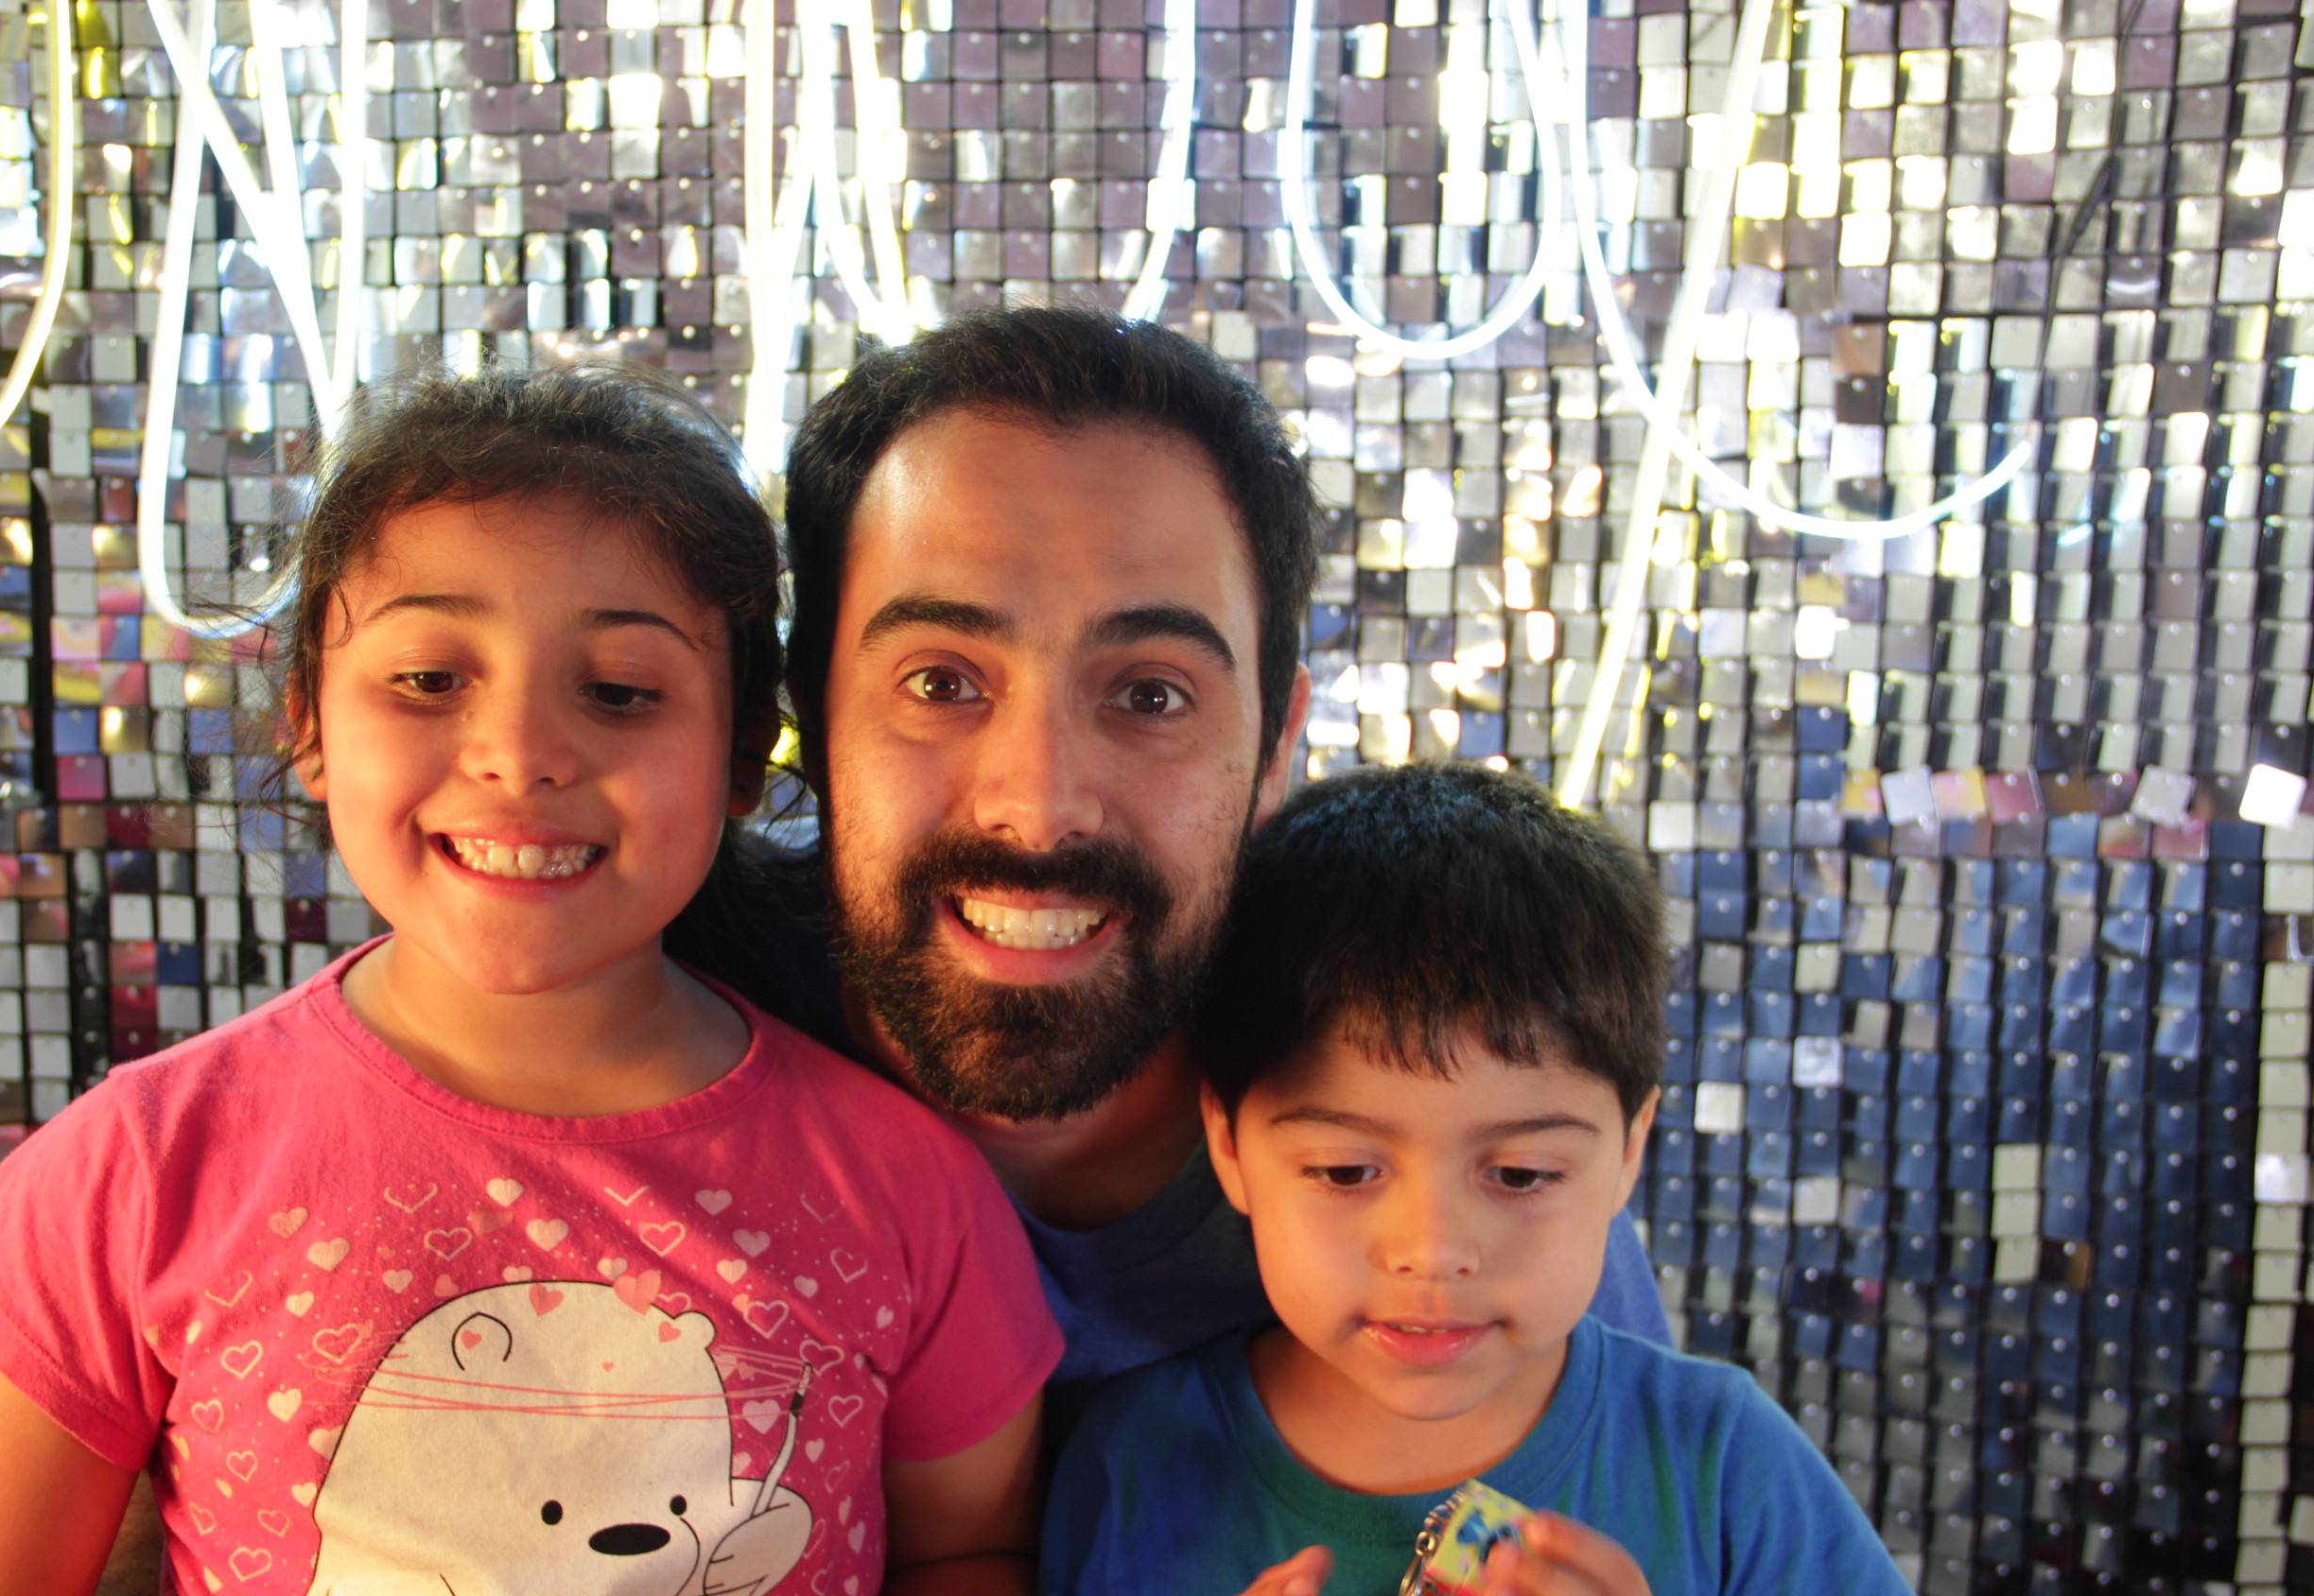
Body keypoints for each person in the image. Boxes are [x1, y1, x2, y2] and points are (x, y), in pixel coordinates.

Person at [0, 367, 1059, 1596]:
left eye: (621, 691)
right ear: (308, 722)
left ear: (740, 754)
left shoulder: (907, 1192)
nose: (520, 754)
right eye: (431, 679)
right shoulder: (137, 1176)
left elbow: (965, 1558)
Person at [681, 305, 1671, 1434]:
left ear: (1274, 744)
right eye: (941, 684)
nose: (1039, 806)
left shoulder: (1444, 1088)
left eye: (1151, 695)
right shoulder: (652, 1008)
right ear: (809, 715)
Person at [1038, 764, 1937, 1596]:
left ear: (1628, 1154)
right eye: (1347, 1172)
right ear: (1230, 1146)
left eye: (1521, 1175)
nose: (1432, 1250)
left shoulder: (1721, 1462)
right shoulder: (1131, 1464)